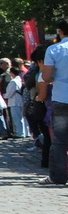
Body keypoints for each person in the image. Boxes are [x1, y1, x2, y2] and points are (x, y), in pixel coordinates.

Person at [41, 30, 68, 184]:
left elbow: (46, 76)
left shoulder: (54, 49)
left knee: (59, 141)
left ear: (61, 32)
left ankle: (58, 177)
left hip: (62, 97)